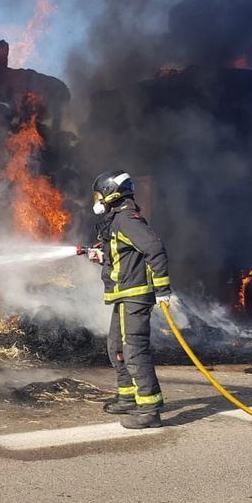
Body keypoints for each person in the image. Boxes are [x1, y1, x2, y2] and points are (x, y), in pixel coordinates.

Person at [86, 171, 172, 429]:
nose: (97, 199)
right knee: (117, 348)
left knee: (134, 351)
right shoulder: (117, 222)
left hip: (135, 296)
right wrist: (102, 256)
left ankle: (149, 410)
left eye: (99, 194)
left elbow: (154, 249)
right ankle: (129, 398)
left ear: (112, 193)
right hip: (124, 296)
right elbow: (124, 255)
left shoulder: (127, 220)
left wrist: (162, 290)